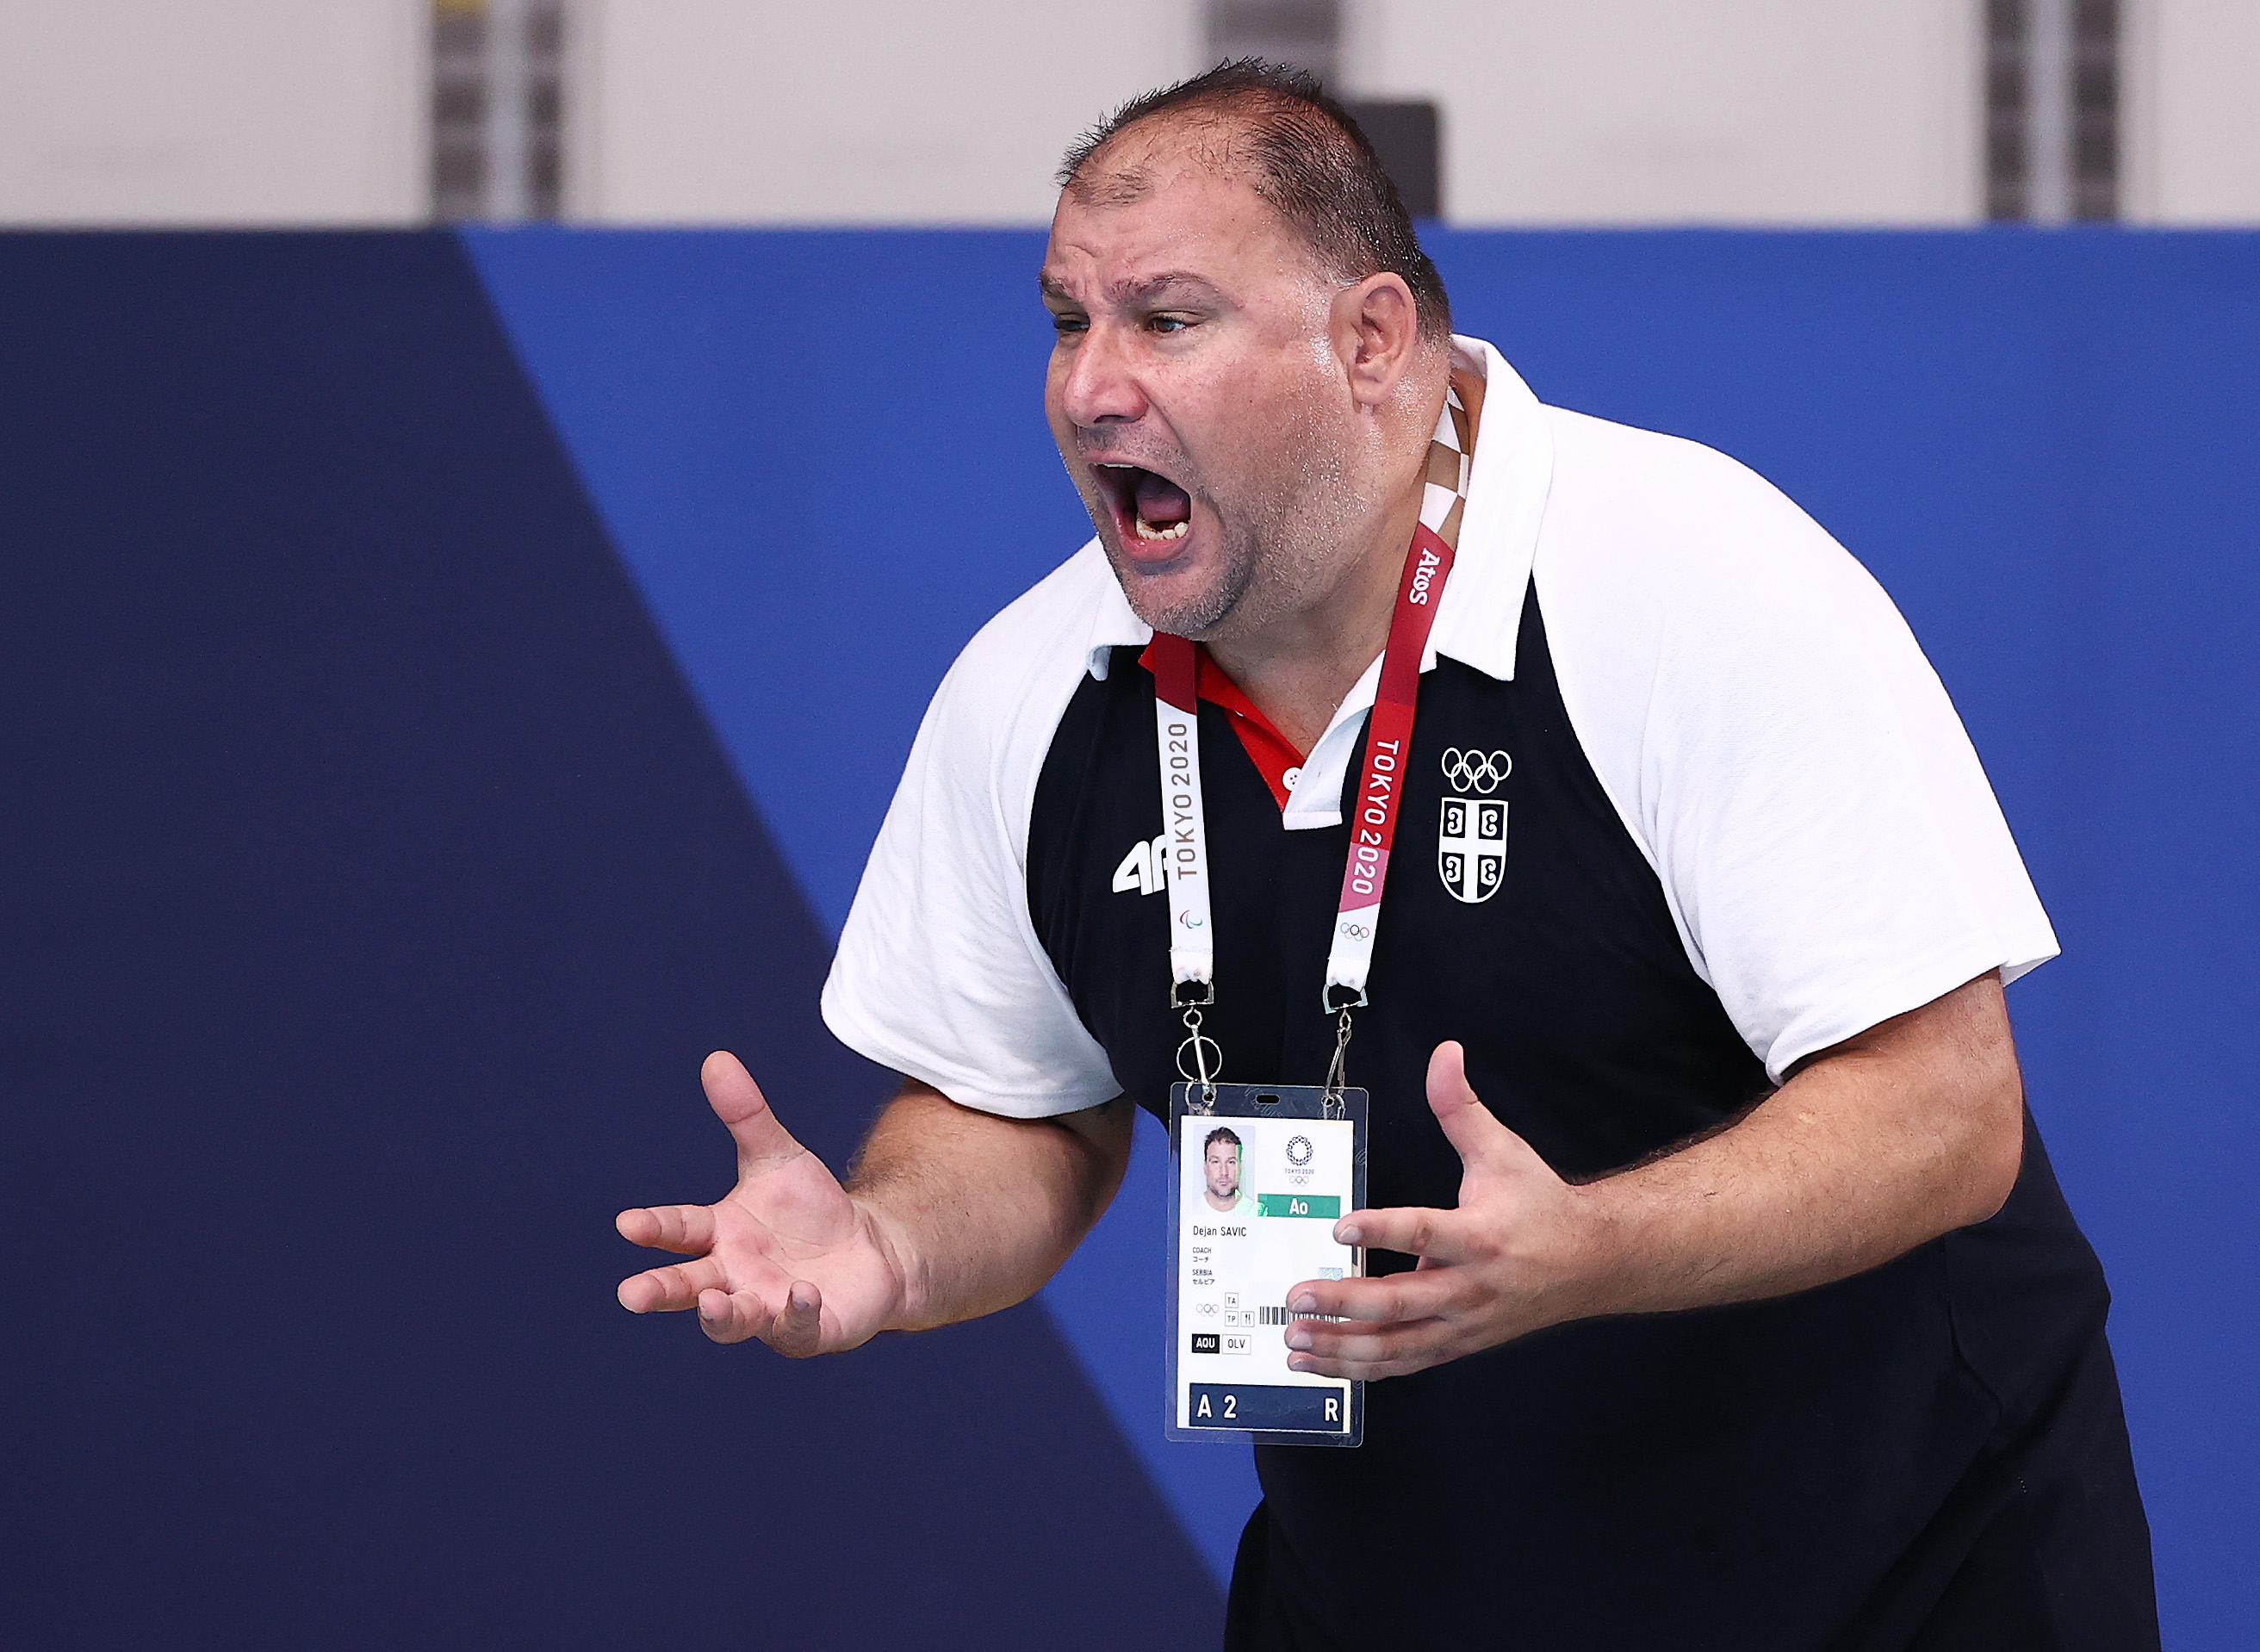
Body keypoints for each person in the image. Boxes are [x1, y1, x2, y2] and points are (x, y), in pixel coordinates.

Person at [615, 61, 2158, 1650]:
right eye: (1067, 319)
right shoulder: (1037, 690)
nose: (1088, 386)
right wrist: (885, 1239)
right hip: (1392, 1596)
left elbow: (1943, 1108)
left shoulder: (1687, 582)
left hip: (1891, 1584)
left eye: (1165, 318)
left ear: (1367, 342)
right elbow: (1013, 1111)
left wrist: (1589, 1248)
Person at [1201, 1126, 1256, 1214]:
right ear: (1205, 1167)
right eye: (1215, 1162)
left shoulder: (1256, 1212)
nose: (1224, 1172)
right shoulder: (1187, 1211)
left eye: (1231, 1162)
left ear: (1240, 1167)